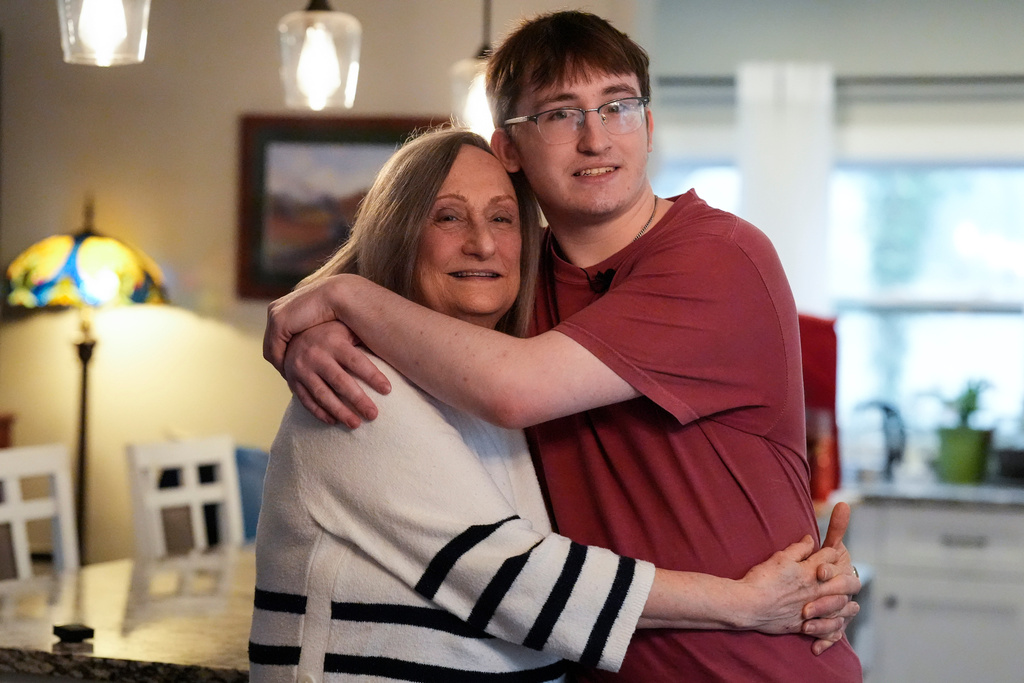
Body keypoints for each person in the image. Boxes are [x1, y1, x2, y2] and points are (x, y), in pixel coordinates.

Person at [262, 11, 863, 682]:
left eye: (618, 106)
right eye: (559, 114)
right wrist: (313, 332)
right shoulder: (517, 282)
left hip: (752, 666)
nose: (596, 137)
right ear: (510, 148)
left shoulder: (717, 257)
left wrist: (340, 301)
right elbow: (425, 293)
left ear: (650, 125)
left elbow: (513, 388)